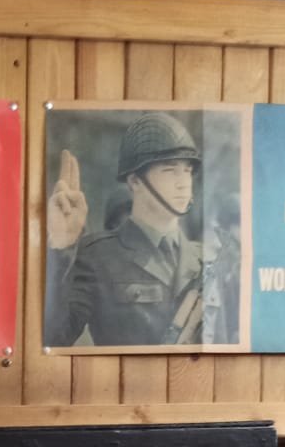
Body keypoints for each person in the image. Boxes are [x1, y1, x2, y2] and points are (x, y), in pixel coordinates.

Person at [44, 111, 208, 347]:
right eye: (170, 170)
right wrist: (61, 248)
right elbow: (54, 339)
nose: (183, 183)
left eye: (187, 171)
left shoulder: (207, 260)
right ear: (135, 181)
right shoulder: (97, 256)